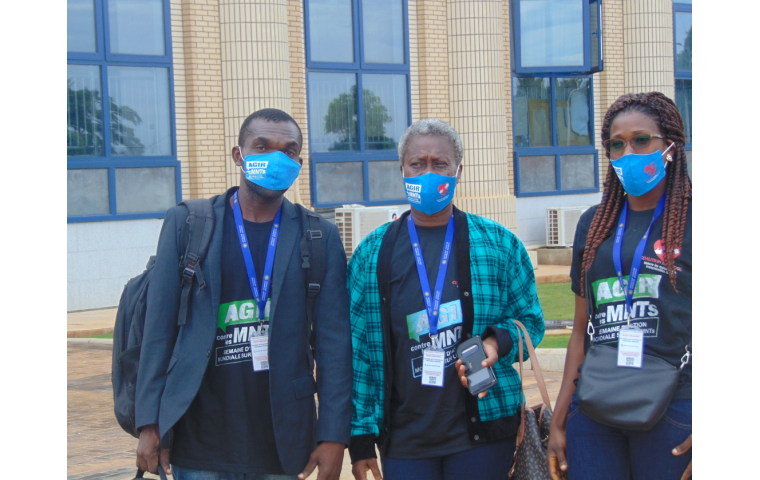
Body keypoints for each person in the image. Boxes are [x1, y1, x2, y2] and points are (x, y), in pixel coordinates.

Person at [134, 109, 353, 480]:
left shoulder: (319, 237)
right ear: (239, 154)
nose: (276, 158)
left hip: (284, 442)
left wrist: (334, 437)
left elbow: (334, 346)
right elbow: (158, 331)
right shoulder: (188, 224)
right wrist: (149, 424)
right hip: (198, 439)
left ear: (299, 162)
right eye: (262, 146)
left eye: (288, 151)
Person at [347, 119, 545, 480]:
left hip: (484, 434)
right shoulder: (372, 253)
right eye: (417, 164)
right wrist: (360, 438)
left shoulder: (499, 244)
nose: (428, 172)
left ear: (458, 170)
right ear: (402, 170)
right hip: (405, 440)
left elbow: (531, 322)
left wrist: (495, 341)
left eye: (440, 164)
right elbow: (359, 352)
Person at [548, 92, 693, 480]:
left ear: (672, 147)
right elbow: (580, 329)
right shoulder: (593, 224)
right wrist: (560, 417)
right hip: (596, 406)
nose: (627, 152)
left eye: (641, 140)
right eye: (616, 143)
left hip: (674, 404)